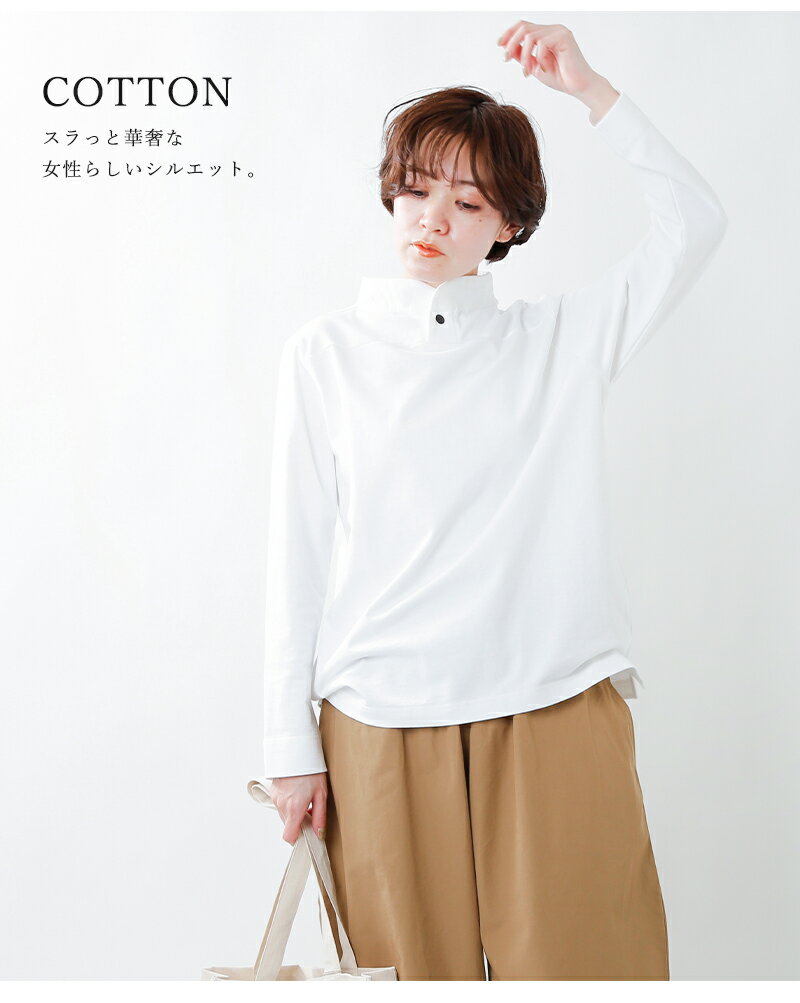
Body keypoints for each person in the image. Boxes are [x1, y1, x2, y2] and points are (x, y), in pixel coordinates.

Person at [253, 19, 727, 980]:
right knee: (404, 979)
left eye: (468, 201)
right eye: (417, 188)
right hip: (379, 720)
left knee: (593, 972)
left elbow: (697, 224)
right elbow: (296, 554)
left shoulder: (561, 340)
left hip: (556, 703)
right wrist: (288, 743)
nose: (432, 217)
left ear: (508, 224)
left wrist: (591, 90)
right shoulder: (326, 355)